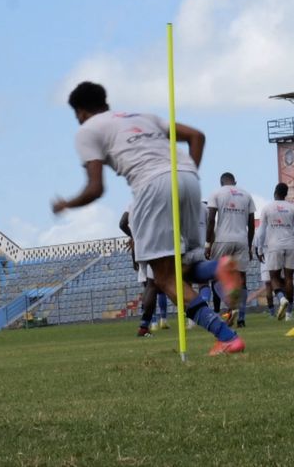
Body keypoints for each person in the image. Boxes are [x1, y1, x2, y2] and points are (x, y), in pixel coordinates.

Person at [51, 81, 243, 355]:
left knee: (163, 279)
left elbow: (96, 188)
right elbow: (197, 136)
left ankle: (226, 337)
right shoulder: (142, 116)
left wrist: (66, 203)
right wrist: (181, 179)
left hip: (152, 186)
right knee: (182, 267)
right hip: (188, 179)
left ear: (80, 112)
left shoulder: (87, 130)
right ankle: (218, 268)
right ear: (105, 103)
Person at [206, 172, 255, 328]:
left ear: (221, 183)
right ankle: (241, 319)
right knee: (242, 279)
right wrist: (249, 245)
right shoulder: (246, 195)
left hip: (222, 240)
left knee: (215, 277)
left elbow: (211, 220)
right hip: (241, 240)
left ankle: (230, 304)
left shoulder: (216, 193)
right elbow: (252, 224)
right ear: (235, 181)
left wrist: (208, 244)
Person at [254, 182, 294, 321]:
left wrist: (259, 248)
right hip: (291, 245)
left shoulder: (267, 208)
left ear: (275, 192)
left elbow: (261, 231)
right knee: (289, 279)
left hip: (274, 246)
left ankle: (281, 299)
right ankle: (289, 314)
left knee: (274, 277)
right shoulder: (293, 208)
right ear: (286, 194)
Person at [119, 209, 168, 336]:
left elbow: (122, 223)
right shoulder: (156, 200)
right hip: (155, 246)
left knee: (148, 286)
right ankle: (154, 322)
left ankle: (151, 323)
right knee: (155, 286)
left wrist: (134, 236)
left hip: (140, 247)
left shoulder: (134, 203)